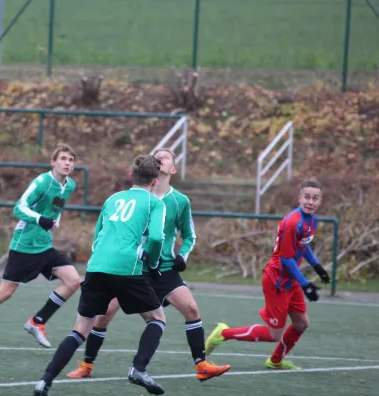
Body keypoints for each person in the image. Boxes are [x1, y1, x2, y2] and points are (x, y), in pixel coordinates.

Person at [65, 148, 231, 382]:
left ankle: (201, 365)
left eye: (166, 156)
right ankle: (86, 365)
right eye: (157, 155)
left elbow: (190, 236)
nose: (160, 157)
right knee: (103, 316)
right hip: (132, 269)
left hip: (163, 269)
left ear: (172, 169)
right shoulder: (138, 197)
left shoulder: (179, 201)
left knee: (191, 309)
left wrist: (182, 256)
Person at [34, 155, 168, 396]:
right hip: (127, 269)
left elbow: (98, 236)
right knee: (157, 318)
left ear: (131, 176)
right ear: (155, 181)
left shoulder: (113, 199)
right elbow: (157, 238)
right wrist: (154, 262)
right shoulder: (155, 203)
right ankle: (138, 368)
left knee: (79, 330)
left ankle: (45, 380)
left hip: (96, 267)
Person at [0, 143, 82, 353]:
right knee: (5, 292)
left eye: (71, 160)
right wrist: (41, 219)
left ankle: (37, 322)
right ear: (53, 162)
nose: (67, 163)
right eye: (63, 159)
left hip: (44, 246)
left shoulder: (69, 185)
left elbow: (57, 206)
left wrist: (54, 221)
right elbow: (19, 207)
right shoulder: (42, 182)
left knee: (73, 281)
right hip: (24, 246)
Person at [205, 179, 330, 370]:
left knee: (301, 324)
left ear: (320, 201)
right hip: (277, 280)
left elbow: (303, 246)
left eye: (315, 198)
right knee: (274, 335)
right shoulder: (292, 222)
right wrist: (305, 283)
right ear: (299, 198)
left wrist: (317, 267)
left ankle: (275, 361)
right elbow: (287, 258)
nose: (310, 201)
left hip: (291, 280)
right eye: (307, 197)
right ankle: (224, 333)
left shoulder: (312, 220)